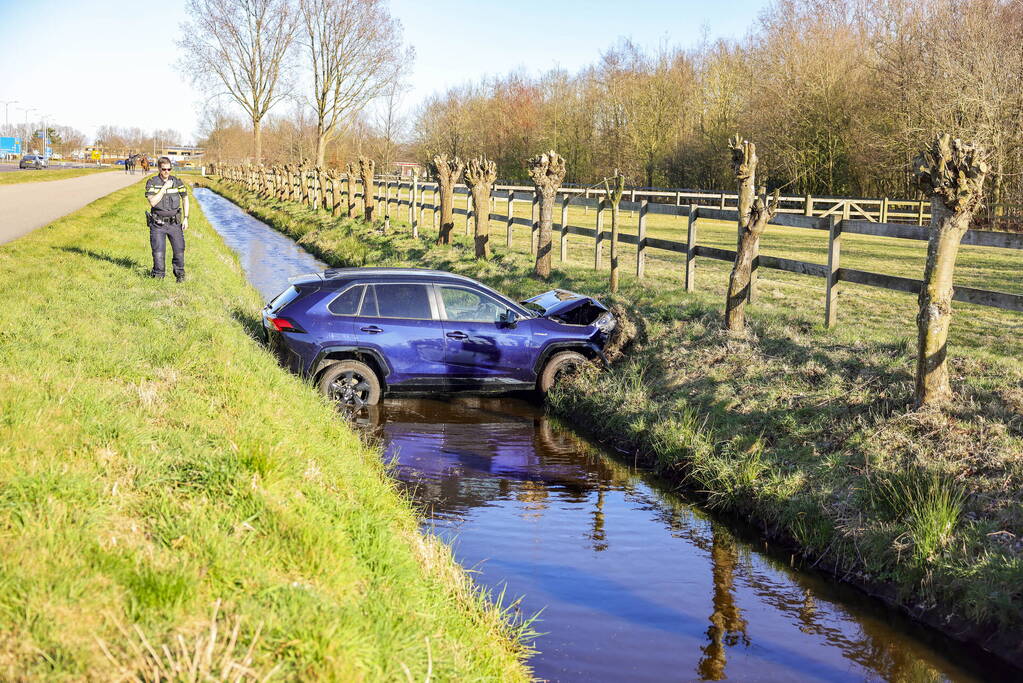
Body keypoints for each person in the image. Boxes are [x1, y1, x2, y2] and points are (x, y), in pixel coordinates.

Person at [144, 157, 189, 281]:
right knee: (158, 252)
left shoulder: (177, 182)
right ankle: (158, 278)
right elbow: (152, 202)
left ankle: (180, 277)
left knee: (179, 250)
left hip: (175, 224)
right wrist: (164, 188)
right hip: (158, 224)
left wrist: (186, 218)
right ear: (159, 168)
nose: (167, 172)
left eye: (169, 169)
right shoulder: (152, 182)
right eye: (164, 169)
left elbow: (185, 198)